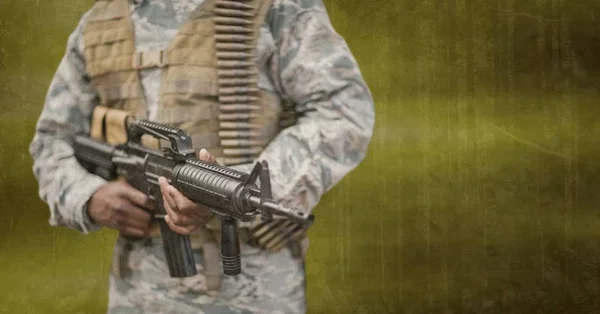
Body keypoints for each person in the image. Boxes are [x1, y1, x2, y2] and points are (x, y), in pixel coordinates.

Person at [29, 0, 375, 313]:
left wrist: (236, 187)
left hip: (253, 291)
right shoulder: (98, 23)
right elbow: (53, 139)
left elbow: (343, 112)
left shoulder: (278, 8)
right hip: (136, 290)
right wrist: (86, 197)